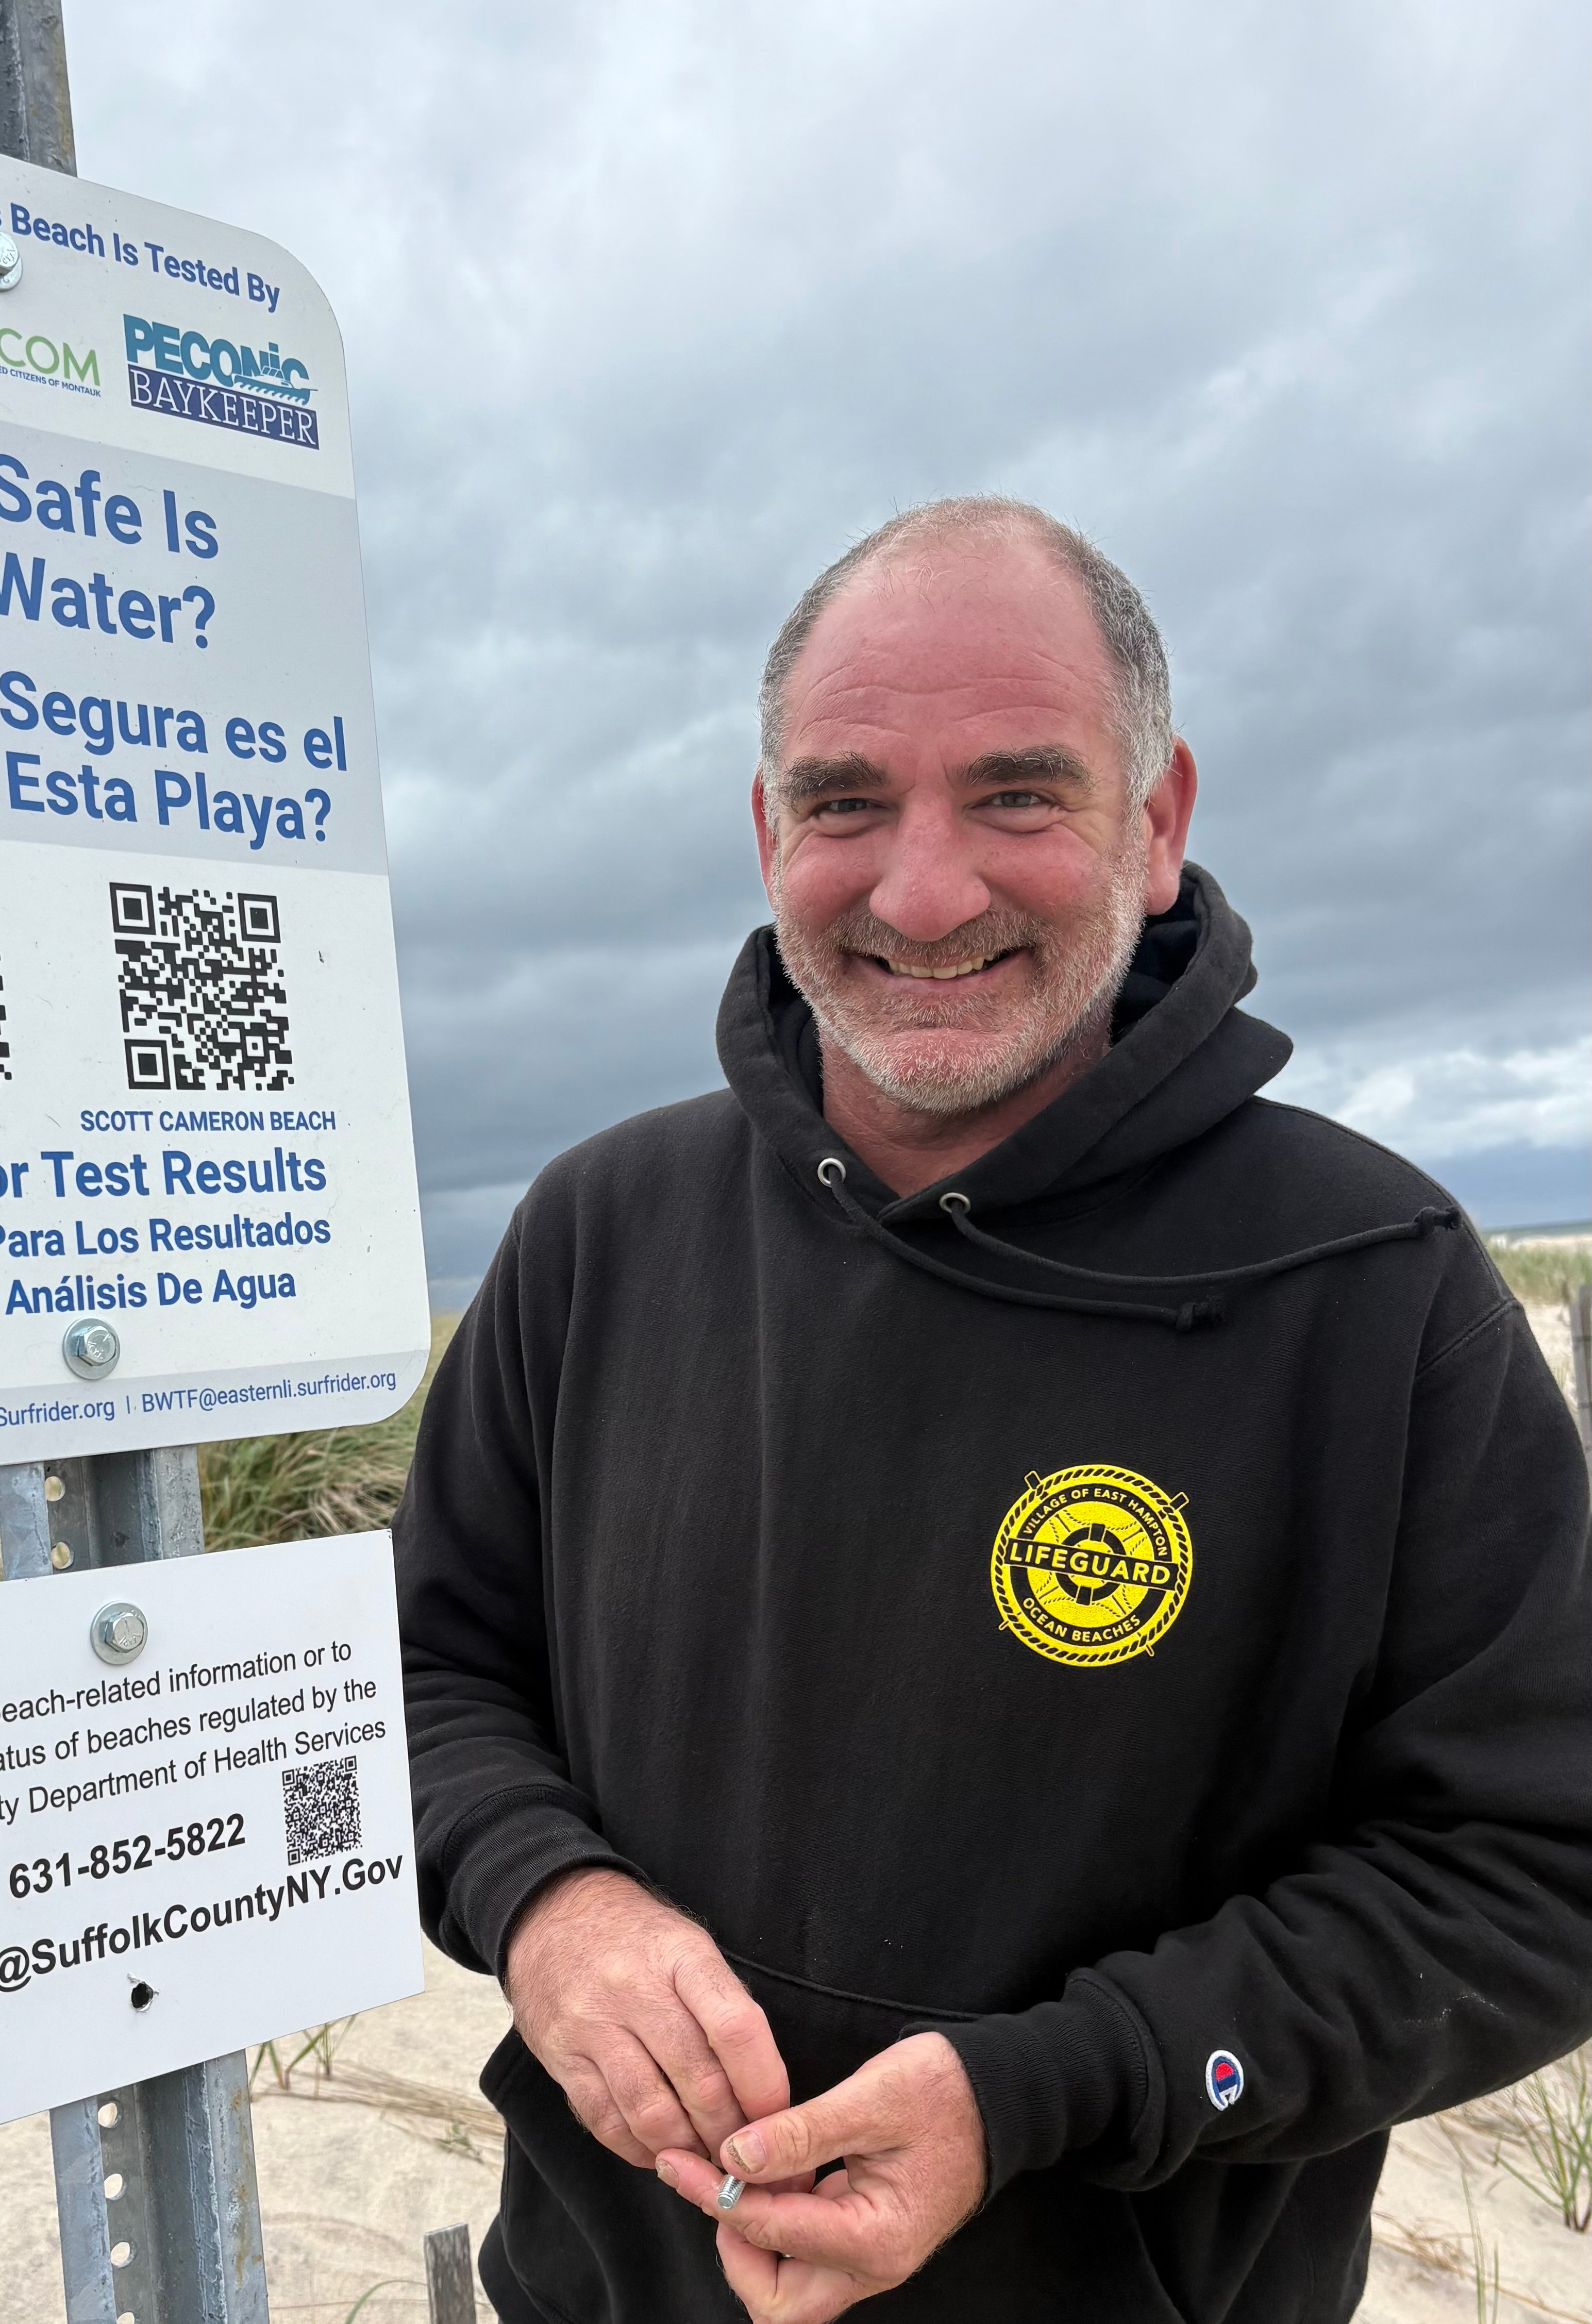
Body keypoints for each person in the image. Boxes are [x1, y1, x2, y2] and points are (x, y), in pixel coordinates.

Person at [393, 497, 1592, 2323]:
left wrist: (1062, 2087)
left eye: (1017, 795)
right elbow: (422, 1670)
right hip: (603, 2285)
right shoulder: (594, 1234)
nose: (921, 890)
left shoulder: (1371, 1282)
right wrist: (545, 1902)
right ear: (764, 830)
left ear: (1157, 821)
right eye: (845, 802)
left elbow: (1528, 1870)